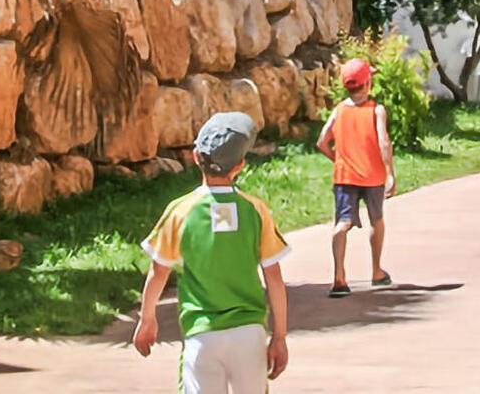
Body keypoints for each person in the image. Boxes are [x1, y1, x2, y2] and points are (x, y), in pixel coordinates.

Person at [134, 112, 291, 392]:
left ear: (196, 157)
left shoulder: (180, 211)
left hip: (201, 334)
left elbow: (158, 273)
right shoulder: (255, 211)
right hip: (249, 334)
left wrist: (147, 319)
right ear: (240, 165)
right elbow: (274, 278)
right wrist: (279, 337)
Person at [316, 56, 396, 297]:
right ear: (368, 83)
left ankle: (339, 277)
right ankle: (376, 271)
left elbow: (322, 141)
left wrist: (338, 159)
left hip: (345, 176)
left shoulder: (339, 110)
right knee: (376, 220)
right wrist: (390, 173)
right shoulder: (377, 110)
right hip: (373, 176)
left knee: (343, 223)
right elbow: (383, 142)